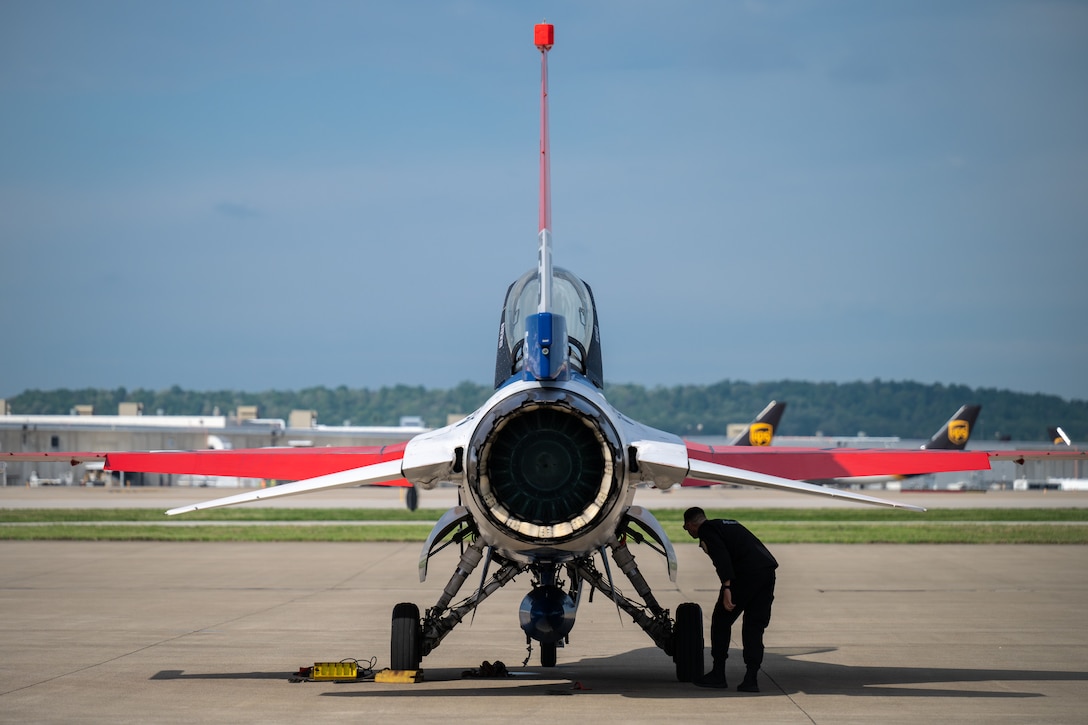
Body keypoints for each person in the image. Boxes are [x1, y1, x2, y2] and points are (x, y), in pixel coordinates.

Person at [683, 506, 778, 692]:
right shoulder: (727, 524)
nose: (689, 532)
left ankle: (718, 674)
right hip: (767, 572)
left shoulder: (707, 530)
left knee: (720, 622)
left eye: (687, 528)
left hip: (746, 576)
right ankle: (751, 679)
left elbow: (721, 558)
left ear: (691, 524)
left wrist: (727, 588)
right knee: (754, 626)